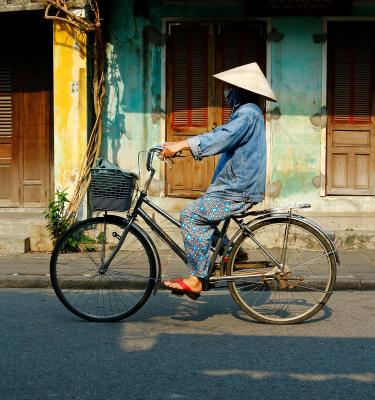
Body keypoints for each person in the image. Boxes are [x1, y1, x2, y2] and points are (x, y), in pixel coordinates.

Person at [161, 62, 277, 300]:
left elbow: (222, 137)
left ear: (240, 91)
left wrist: (182, 144)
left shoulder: (247, 113)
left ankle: (196, 279)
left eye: (229, 89)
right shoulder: (248, 113)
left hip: (237, 190)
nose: (226, 93)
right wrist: (178, 147)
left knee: (191, 217)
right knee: (202, 216)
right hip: (232, 187)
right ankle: (233, 251)